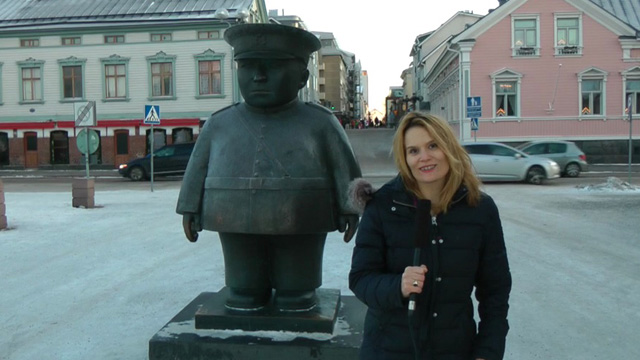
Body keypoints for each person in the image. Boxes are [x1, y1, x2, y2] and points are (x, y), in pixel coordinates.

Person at [176, 23, 361, 312]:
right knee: (243, 290)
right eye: (248, 66)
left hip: (302, 217)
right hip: (233, 214)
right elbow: (197, 167)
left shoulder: (321, 122)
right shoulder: (219, 123)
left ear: (302, 77)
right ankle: (247, 290)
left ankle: (296, 292)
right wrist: (190, 205)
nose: (259, 76)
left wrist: (350, 206)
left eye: (272, 67)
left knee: (296, 292)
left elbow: (343, 167)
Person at [349, 112, 511, 359]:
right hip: (388, 350)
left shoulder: (480, 209)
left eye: (432, 145)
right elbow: (360, 279)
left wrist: (487, 351)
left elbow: (495, 292)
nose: (424, 157)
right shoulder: (382, 206)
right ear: (405, 158)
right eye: (413, 151)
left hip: (454, 349)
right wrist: (397, 286)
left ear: (448, 147)